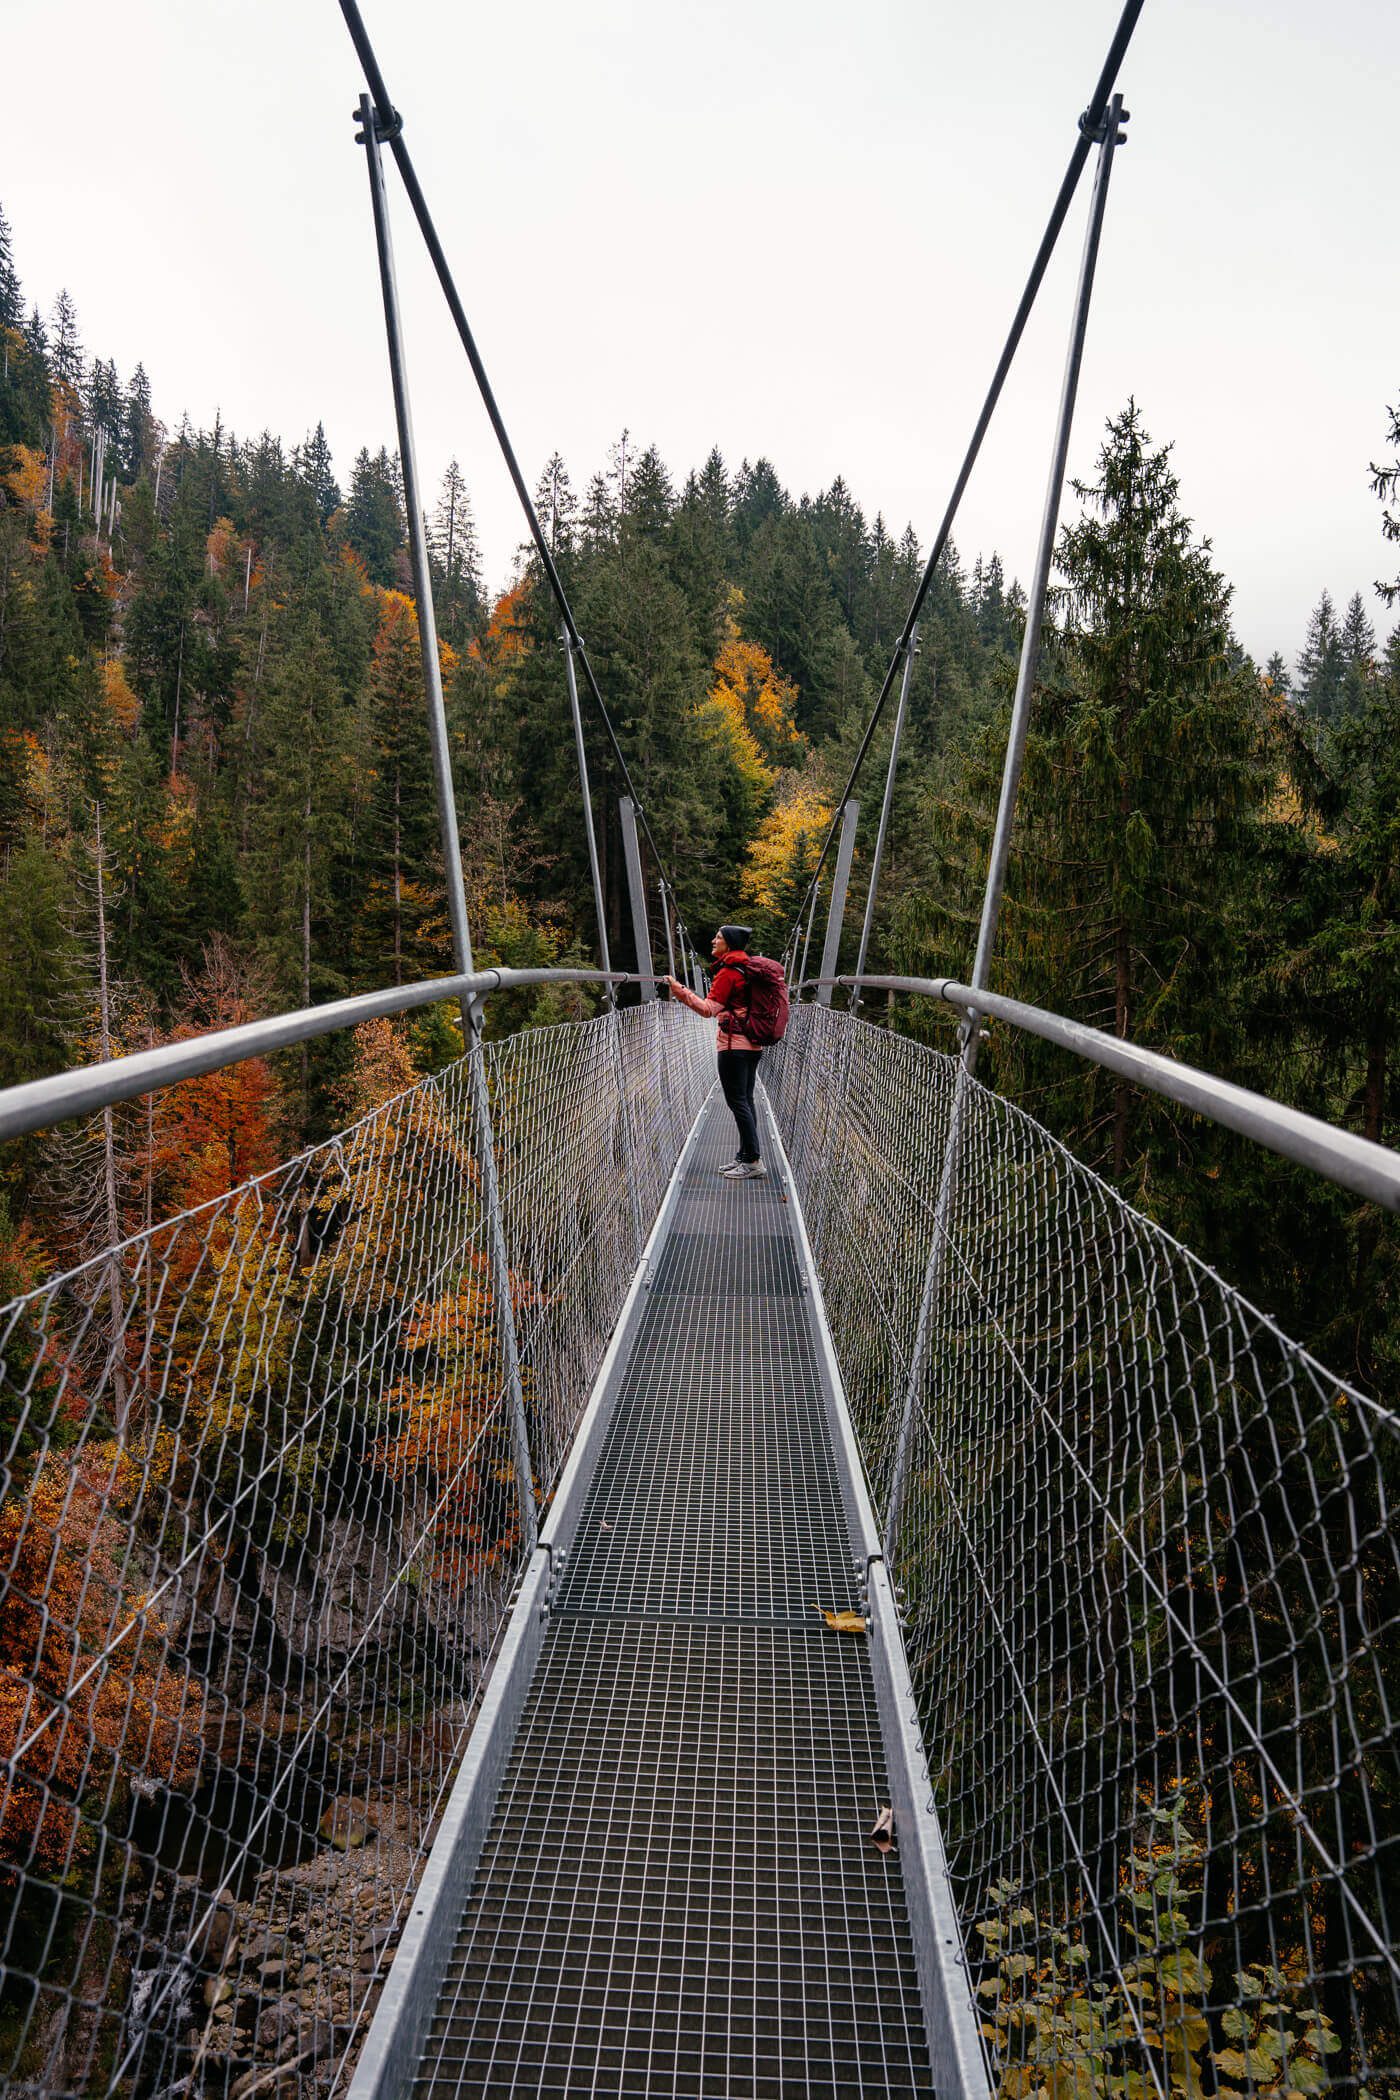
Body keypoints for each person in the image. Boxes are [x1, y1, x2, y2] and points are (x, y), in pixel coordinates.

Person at [665, 924, 768, 1179]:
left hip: (733, 1046)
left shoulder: (729, 972)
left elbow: (708, 1009)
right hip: (753, 1044)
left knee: (737, 1102)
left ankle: (753, 1161)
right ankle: (745, 1157)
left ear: (729, 944)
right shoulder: (747, 968)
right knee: (745, 1099)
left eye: (719, 938)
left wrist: (679, 991)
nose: (713, 941)